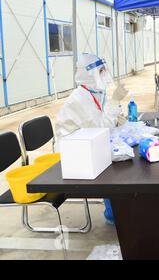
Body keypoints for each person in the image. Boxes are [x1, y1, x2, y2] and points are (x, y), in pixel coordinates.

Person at [55, 53, 128, 225]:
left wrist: (117, 116)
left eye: (104, 70)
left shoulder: (93, 92)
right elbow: (101, 128)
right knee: (118, 164)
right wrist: (115, 102)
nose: (104, 75)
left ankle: (118, 207)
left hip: (87, 145)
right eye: (100, 71)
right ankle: (115, 211)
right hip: (74, 154)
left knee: (123, 154)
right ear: (89, 73)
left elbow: (101, 124)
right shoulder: (79, 99)